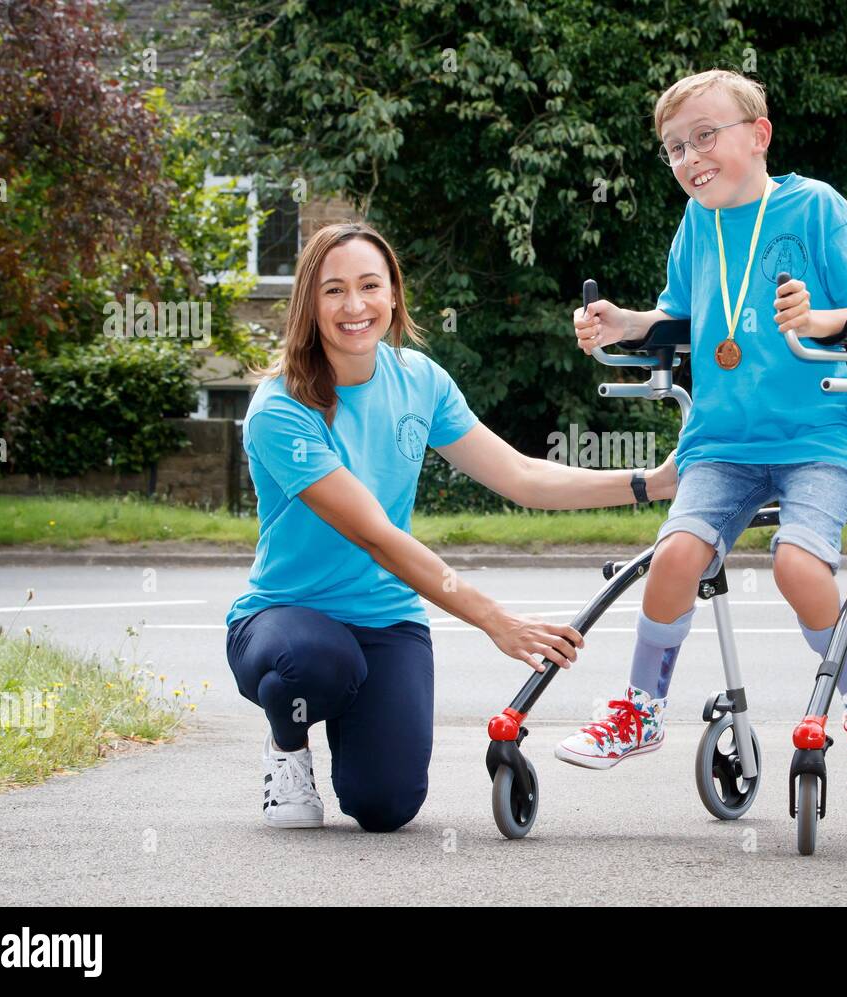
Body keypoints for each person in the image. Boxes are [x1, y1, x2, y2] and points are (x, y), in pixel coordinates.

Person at [224, 221, 678, 831]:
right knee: (314, 665)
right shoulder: (281, 408)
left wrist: (647, 483)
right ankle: (287, 746)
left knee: (386, 807)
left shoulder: (420, 381)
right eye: (333, 291)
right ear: (309, 303)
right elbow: (375, 535)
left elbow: (520, 476)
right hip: (284, 619)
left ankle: (356, 738)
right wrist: (495, 619)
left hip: (386, 619)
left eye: (369, 286)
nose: (354, 306)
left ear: (392, 296)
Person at [556, 69, 847, 792]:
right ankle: (641, 709)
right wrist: (623, 324)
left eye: (704, 136)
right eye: (674, 147)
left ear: (759, 135)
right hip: (721, 440)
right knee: (674, 556)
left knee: (796, 565)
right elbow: (673, 317)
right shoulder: (697, 224)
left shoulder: (815, 208)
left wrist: (816, 321)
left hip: (816, 436)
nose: (689, 156)